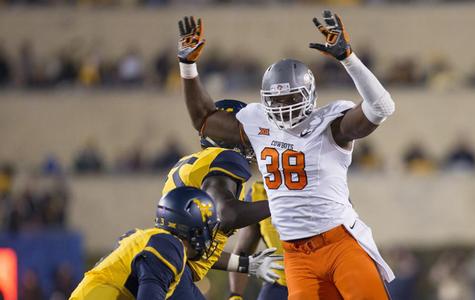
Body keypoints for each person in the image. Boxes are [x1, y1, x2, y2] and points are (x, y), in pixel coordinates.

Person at [177, 10, 395, 299]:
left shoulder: (330, 125)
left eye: (291, 98)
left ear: (309, 95)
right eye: (276, 100)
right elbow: (204, 120)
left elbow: (382, 107)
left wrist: (348, 59)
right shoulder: (257, 123)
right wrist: (188, 66)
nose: (283, 107)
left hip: (341, 242)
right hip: (295, 253)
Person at [161, 99, 283, 299]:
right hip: (174, 274)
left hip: (171, 268)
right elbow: (228, 214)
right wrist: (284, 203)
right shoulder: (223, 160)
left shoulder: (198, 164)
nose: (249, 139)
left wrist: (245, 265)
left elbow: (197, 248)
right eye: (241, 130)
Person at [70, 186, 219, 300]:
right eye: (209, 228)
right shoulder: (168, 246)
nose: (210, 237)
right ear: (196, 228)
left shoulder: (148, 239)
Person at [229, 181, 288, 300]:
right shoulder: (259, 193)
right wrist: (235, 295)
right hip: (280, 282)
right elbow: (242, 252)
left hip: (320, 280)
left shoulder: (321, 185)